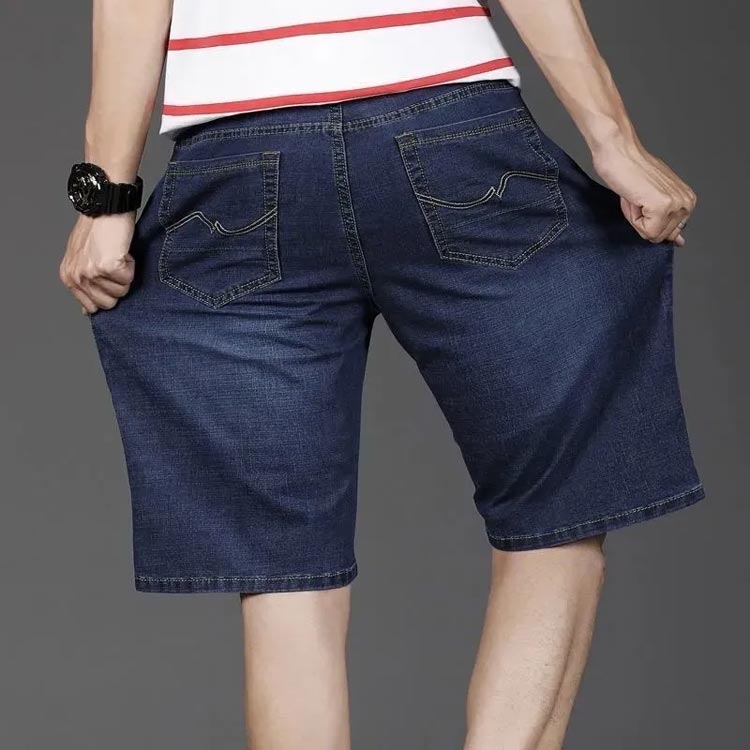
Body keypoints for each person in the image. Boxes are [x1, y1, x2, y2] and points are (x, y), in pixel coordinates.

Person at [60, 1, 704, 748]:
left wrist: (108, 195)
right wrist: (611, 136)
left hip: (238, 159)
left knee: (283, 566)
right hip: (454, 127)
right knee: (559, 495)